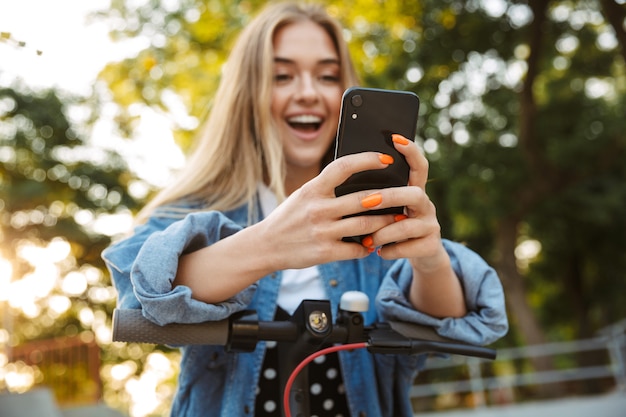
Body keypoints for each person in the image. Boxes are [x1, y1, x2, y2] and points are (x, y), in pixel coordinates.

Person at [102, 2, 508, 416]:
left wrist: (429, 260)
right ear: (247, 94)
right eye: (282, 76)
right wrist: (269, 243)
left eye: (328, 76)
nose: (309, 92)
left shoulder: (376, 212)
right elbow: (139, 295)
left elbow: (454, 328)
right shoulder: (196, 213)